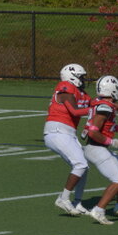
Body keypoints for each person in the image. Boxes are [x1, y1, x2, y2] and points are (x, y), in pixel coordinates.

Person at [82, 76, 118, 225]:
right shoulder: (105, 108)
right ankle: (99, 210)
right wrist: (111, 142)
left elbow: (109, 121)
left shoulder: (101, 103)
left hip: (97, 147)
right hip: (96, 148)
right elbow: (93, 132)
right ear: (112, 89)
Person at [44, 64, 93, 216]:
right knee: (80, 164)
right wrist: (97, 109)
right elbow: (75, 111)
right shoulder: (65, 88)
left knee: (83, 167)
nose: (83, 80)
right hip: (57, 131)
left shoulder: (82, 94)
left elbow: (98, 106)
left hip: (68, 133)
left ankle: (77, 202)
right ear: (72, 77)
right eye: (81, 77)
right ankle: (63, 199)